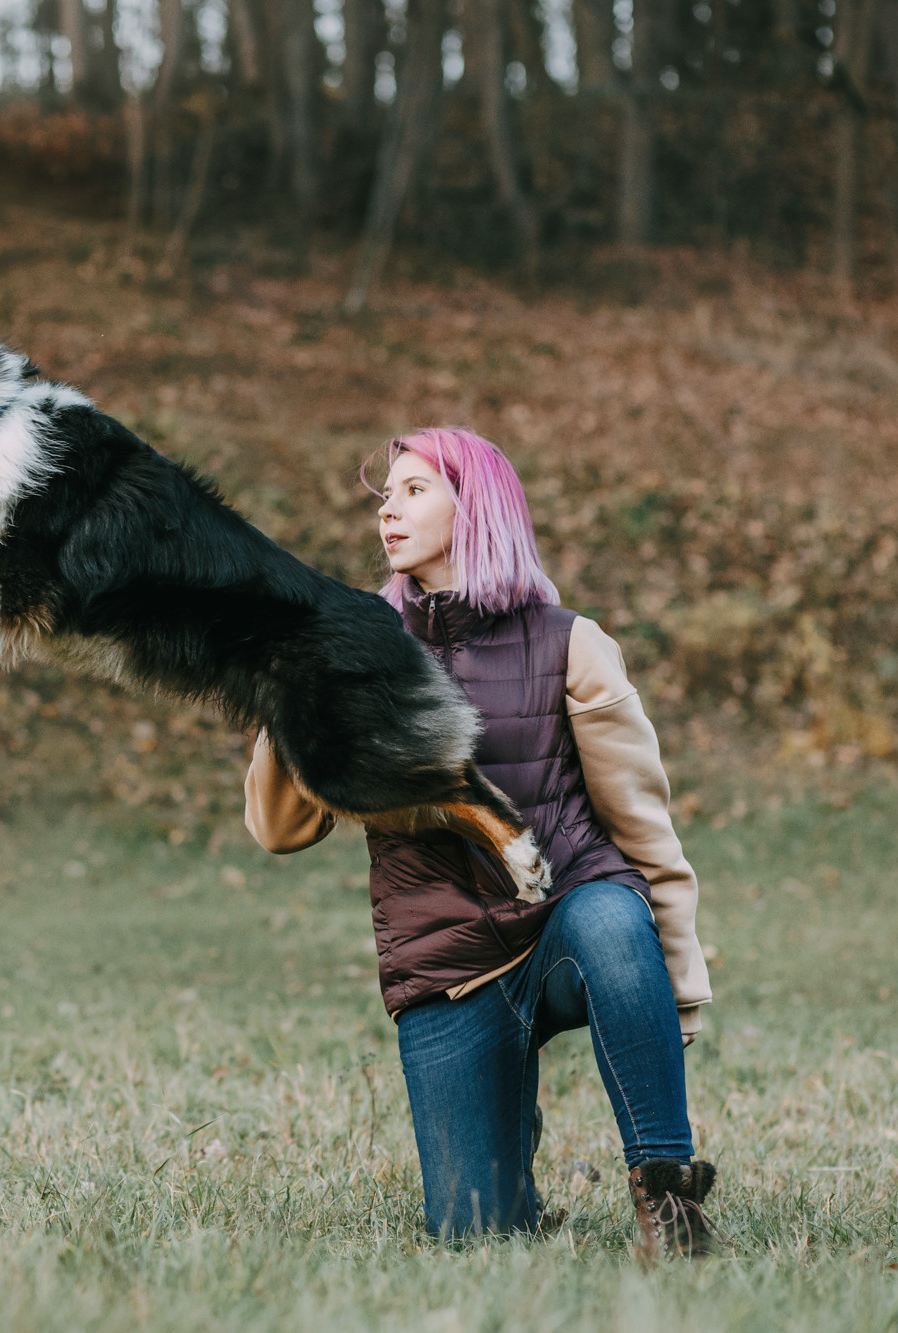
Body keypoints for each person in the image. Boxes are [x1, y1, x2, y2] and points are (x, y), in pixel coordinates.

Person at [243, 427, 720, 1257]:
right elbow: (282, 829)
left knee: (611, 921)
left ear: (478, 507)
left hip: (569, 917)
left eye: (415, 489)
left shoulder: (569, 642)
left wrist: (673, 984)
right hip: (448, 962)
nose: (388, 508)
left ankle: (667, 1196)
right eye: (385, 494)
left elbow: (645, 830)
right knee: (475, 1229)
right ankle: (507, 1122)